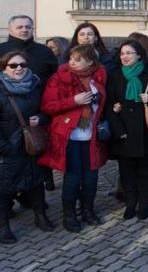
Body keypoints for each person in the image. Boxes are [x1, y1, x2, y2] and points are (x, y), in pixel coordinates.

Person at [39, 44, 108, 232]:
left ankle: (87, 210)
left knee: (91, 177)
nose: (72, 62)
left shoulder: (98, 77)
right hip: (68, 136)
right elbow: (48, 106)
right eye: (71, 58)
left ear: (91, 61)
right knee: (73, 177)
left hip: (92, 136)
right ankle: (69, 215)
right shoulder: (59, 78)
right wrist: (74, 101)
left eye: (78, 59)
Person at [105, 40, 148, 221]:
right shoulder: (116, 75)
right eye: (123, 53)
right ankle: (130, 204)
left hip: (146, 130)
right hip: (124, 132)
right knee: (127, 172)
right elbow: (110, 104)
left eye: (129, 53)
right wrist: (118, 130)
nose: (125, 57)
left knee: (146, 172)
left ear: (139, 55)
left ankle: (144, 204)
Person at [0, 51, 53, 243]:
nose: (19, 68)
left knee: (36, 182)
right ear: (4, 68)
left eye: (22, 64)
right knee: (5, 188)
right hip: (9, 148)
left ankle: (40, 216)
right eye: (13, 65)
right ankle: (3, 226)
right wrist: (5, 147)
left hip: (33, 144)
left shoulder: (35, 85)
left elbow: (46, 110)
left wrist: (40, 118)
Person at [0, 16, 58, 87]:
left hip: (39, 95)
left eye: (28, 27)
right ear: (9, 30)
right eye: (19, 27)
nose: (24, 30)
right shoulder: (1, 49)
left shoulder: (45, 51)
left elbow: (54, 76)